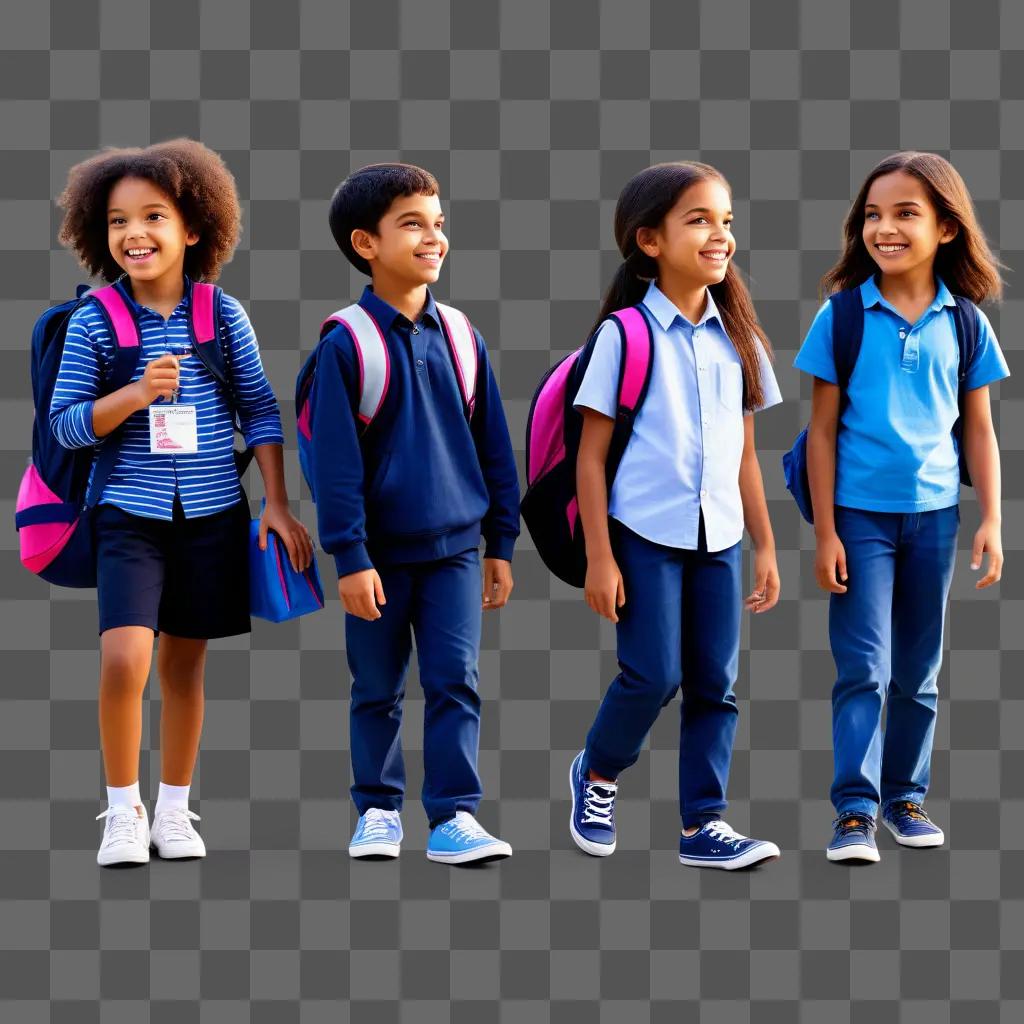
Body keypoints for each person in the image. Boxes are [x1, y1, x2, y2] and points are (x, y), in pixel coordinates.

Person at [51, 139, 311, 866]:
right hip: (127, 513)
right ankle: (121, 809)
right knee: (124, 658)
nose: (134, 233)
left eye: (154, 216)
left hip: (213, 513)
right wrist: (134, 394)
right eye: (117, 221)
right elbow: (66, 425)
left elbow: (260, 410)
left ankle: (173, 808)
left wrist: (277, 505)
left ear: (193, 227)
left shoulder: (222, 315)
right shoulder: (95, 321)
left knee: (186, 667)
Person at [568, 162, 784, 869]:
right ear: (649, 240)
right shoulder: (624, 336)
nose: (719, 235)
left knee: (716, 683)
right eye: (699, 220)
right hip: (643, 534)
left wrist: (766, 547)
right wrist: (600, 557)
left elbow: (746, 457)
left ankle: (704, 825)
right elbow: (590, 459)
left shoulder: (742, 340)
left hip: (719, 535)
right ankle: (597, 774)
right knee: (652, 673)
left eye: (725, 220)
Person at [794, 152, 1009, 863]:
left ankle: (905, 799)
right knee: (864, 669)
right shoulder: (844, 315)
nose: (885, 228)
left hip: (935, 519)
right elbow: (820, 433)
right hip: (858, 519)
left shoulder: (967, 322)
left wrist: (993, 521)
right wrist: (825, 532)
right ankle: (854, 813)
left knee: (920, 671)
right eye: (873, 215)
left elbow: (977, 428)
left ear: (948, 228)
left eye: (906, 213)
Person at [306, 163, 520, 864]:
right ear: (365, 243)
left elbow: (493, 445)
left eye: (438, 223)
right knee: (376, 687)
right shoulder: (345, 345)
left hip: (458, 550)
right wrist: (351, 556)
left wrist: (500, 542)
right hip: (380, 557)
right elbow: (332, 466)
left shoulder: (461, 335)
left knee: (455, 681)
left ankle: (454, 816)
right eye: (413, 224)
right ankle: (376, 809)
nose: (434, 237)